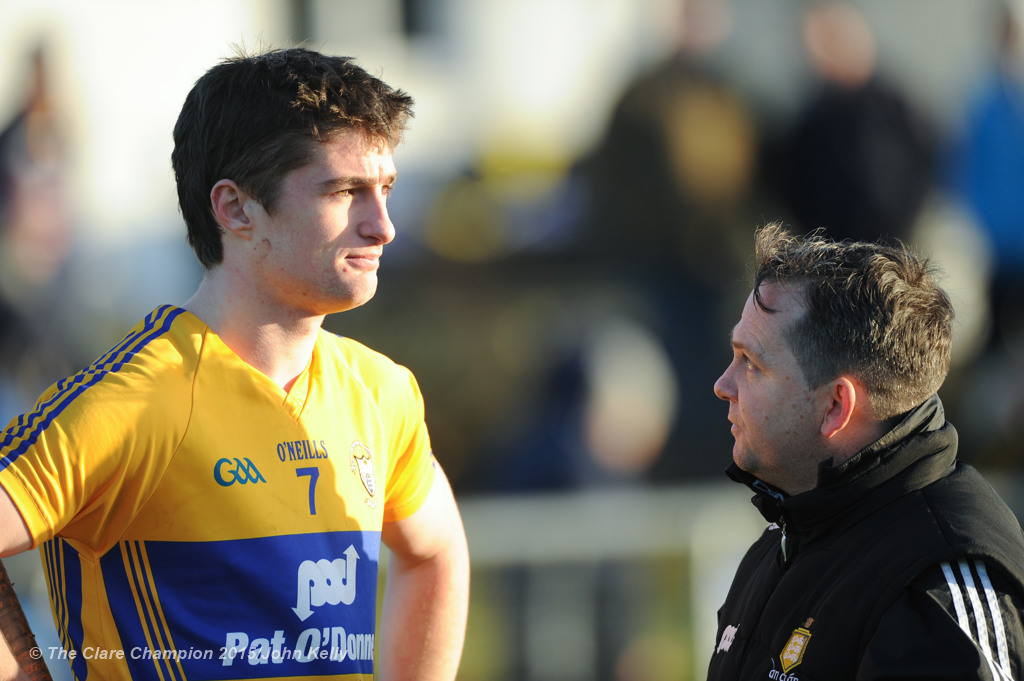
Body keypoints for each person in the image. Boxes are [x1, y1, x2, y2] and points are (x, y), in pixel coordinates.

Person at [0, 46, 469, 681]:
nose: (383, 225)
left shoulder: (380, 392)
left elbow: (436, 552)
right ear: (236, 209)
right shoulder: (141, 398)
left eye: (385, 189)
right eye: (345, 191)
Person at [707, 222, 1024, 679]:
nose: (723, 386)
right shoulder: (789, 536)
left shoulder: (935, 583)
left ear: (836, 405)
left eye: (751, 363)